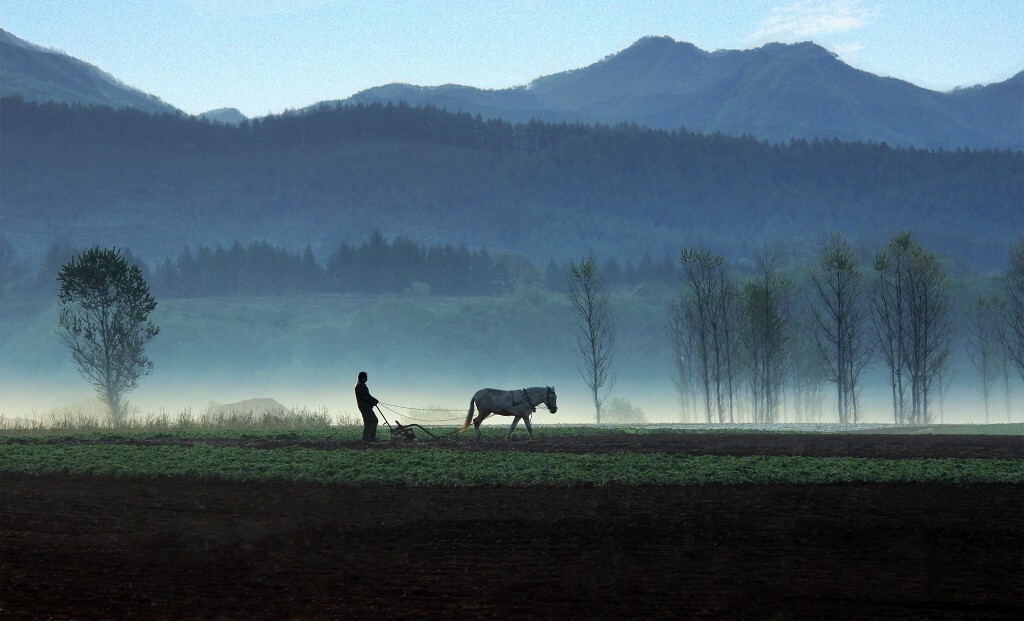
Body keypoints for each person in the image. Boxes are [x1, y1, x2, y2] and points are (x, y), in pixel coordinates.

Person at [354, 371, 380, 442]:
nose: (366, 379)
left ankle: (365, 438)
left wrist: (374, 400)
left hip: (365, 406)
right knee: (374, 420)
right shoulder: (359, 386)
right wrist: (372, 402)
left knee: (368, 422)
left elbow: (368, 395)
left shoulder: (362, 385)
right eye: (366, 378)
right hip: (364, 406)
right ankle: (371, 437)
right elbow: (364, 397)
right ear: (362, 378)